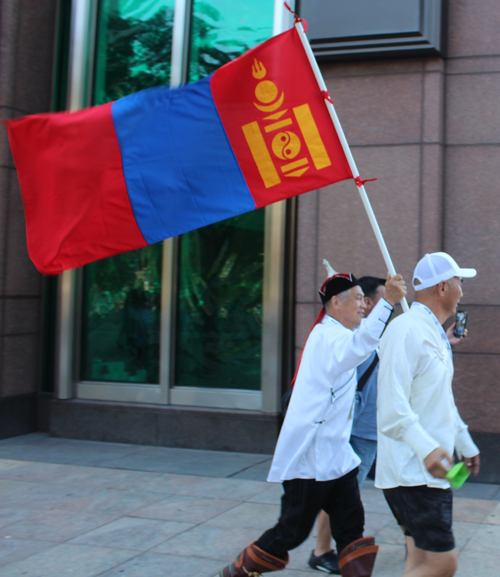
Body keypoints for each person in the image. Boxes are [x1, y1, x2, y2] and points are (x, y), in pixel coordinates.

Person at [218, 270, 407, 577]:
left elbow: (366, 345)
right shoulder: (326, 336)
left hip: (337, 458)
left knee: (351, 529)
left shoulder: (341, 335)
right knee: (291, 533)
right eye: (359, 299)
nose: (364, 305)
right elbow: (358, 348)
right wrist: (388, 303)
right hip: (310, 459)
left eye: (365, 300)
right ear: (335, 303)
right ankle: (236, 572)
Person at [376, 252, 480, 577]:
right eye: (460, 282)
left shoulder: (434, 333)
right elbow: (391, 407)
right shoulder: (404, 329)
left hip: (432, 471)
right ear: (444, 287)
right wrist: (427, 448)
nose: (463, 290)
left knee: (418, 561)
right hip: (414, 473)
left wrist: (464, 441)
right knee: (442, 563)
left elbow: (441, 400)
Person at [309, 276, 387, 574]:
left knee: (343, 495)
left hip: (371, 428)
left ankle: (331, 551)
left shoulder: (369, 334)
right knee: (342, 495)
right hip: (358, 430)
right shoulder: (353, 335)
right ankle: (323, 551)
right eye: (375, 299)